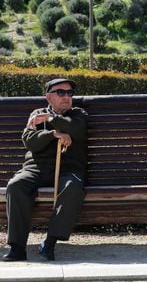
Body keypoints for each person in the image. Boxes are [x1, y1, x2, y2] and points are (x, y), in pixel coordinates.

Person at [2, 78, 88, 262]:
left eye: (69, 93)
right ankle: (17, 247)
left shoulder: (79, 114)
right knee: (16, 185)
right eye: (61, 92)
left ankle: (49, 243)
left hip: (68, 169)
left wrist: (51, 119)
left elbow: (77, 130)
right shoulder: (37, 114)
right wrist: (52, 134)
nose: (66, 96)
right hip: (36, 168)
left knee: (73, 188)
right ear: (48, 97)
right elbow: (29, 140)